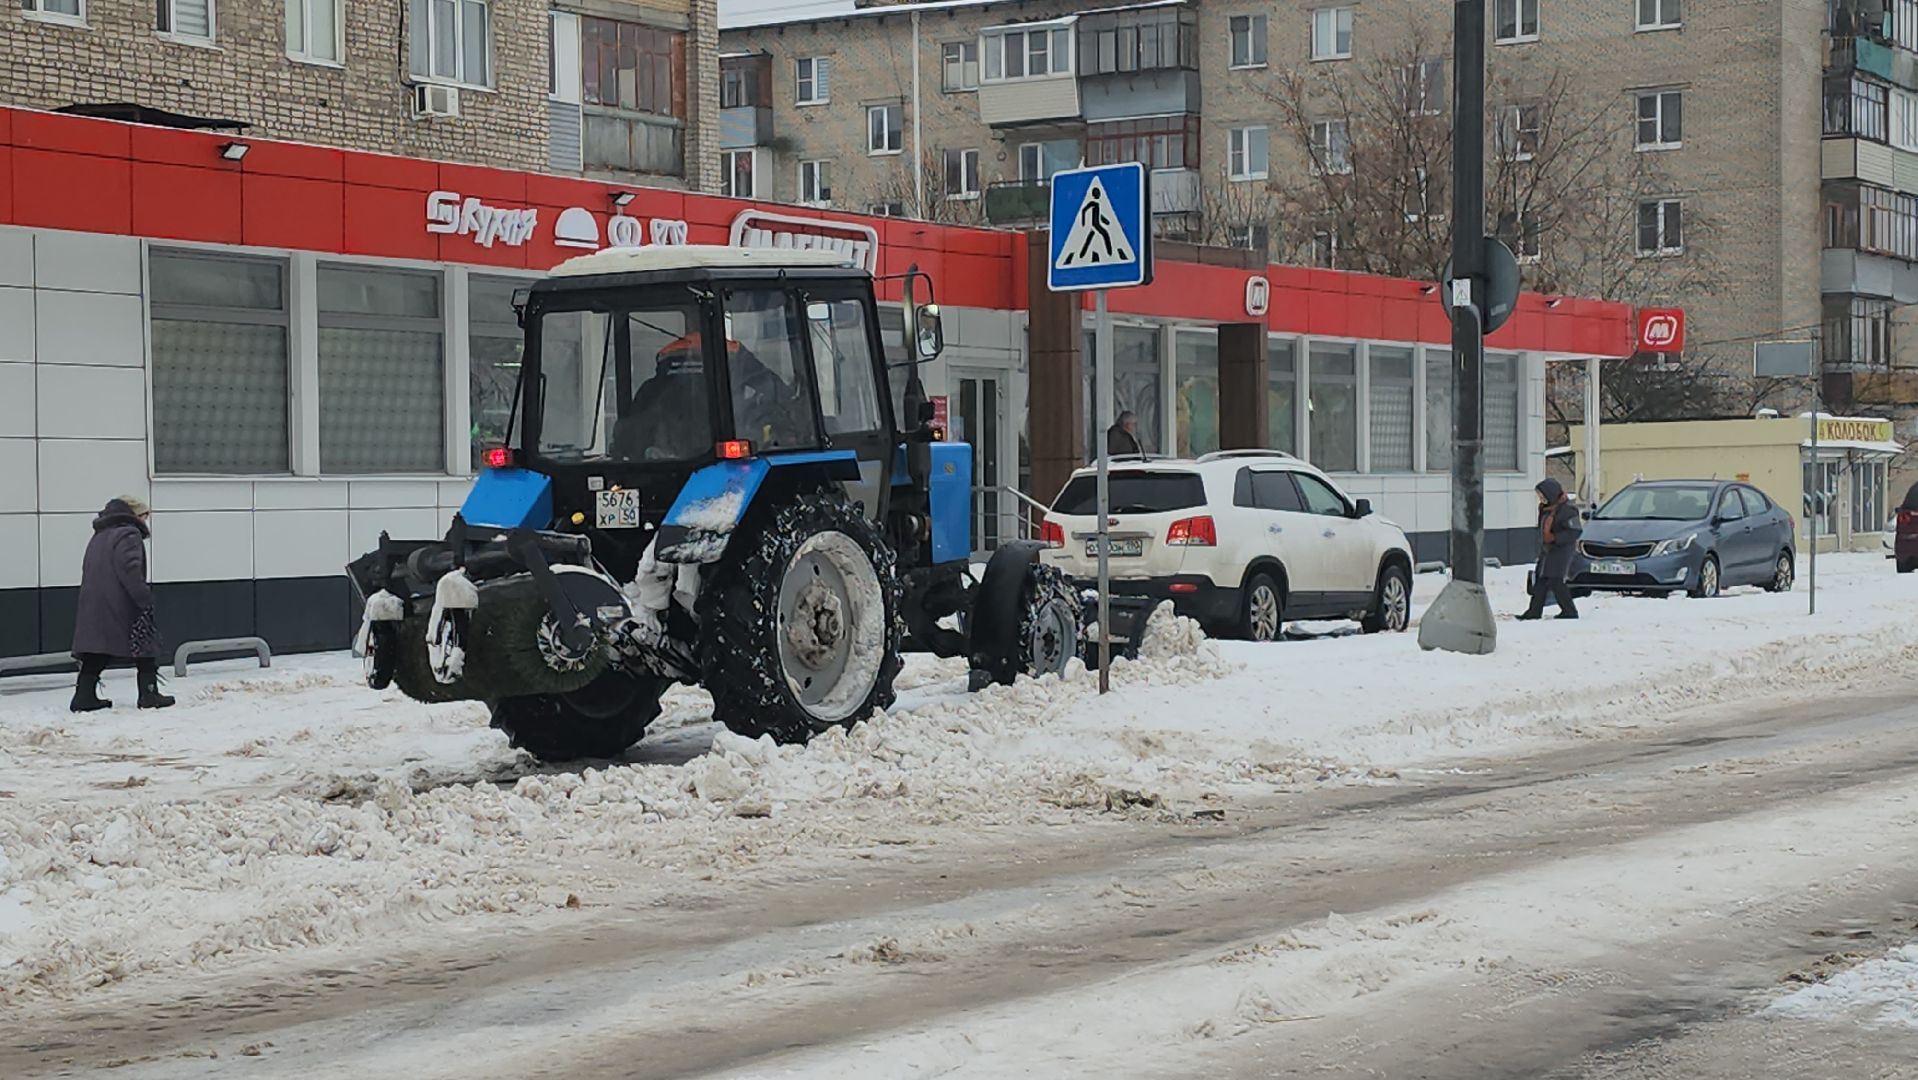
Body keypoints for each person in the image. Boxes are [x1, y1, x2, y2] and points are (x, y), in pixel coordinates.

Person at [71, 496, 174, 711]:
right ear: (135, 515)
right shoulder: (128, 533)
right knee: (145, 641)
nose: (146, 521)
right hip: (121, 601)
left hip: (95, 600)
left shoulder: (100, 535)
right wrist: (144, 598)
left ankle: (84, 696)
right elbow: (130, 569)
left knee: (97, 648)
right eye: (145, 516)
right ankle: (149, 693)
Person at [1519, 478, 1582, 621]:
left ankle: (1569, 611)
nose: (1540, 499)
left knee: (1555, 580)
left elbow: (1574, 532)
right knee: (1541, 580)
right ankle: (1534, 612)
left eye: (1542, 495)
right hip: (1548, 549)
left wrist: (1554, 537)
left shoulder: (1568, 510)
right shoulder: (1545, 508)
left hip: (1562, 549)